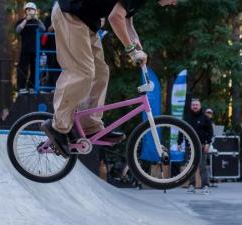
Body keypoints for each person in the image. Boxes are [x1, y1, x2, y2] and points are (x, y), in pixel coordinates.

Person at [41, 0, 178, 156]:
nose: (174, 3)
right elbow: (115, 18)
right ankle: (57, 125)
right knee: (83, 72)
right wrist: (131, 51)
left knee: (101, 73)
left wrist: (135, 41)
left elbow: (126, 19)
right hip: (70, 14)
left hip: (87, 21)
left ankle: (90, 126)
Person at [178, 99, 214, 194]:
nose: (195, 106)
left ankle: (205, 186)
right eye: (193, 105)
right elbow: (181, 130)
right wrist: (179, 143)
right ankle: (191, 185)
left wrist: (208, 143)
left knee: (203, 166)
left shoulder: (205, 118)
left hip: (201, 146)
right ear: (191, 107)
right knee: (191, 167)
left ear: (200, 106)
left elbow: (210, 132)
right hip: (189, 146)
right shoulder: (186, 118)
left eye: (197, 105)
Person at [15, 2, 45, 94]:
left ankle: (31, 87)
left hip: (35, 50)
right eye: (27, 10)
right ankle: (21, 88)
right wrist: (25, 20)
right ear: (25, 11)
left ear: (35, 11)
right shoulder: (21, 21)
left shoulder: (37, 22)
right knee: (23, 68)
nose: (29, 11)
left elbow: (43, 30)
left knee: (34, 69)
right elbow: (18, 30)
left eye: (31, 10)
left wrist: (38, 20)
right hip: (25, 49)